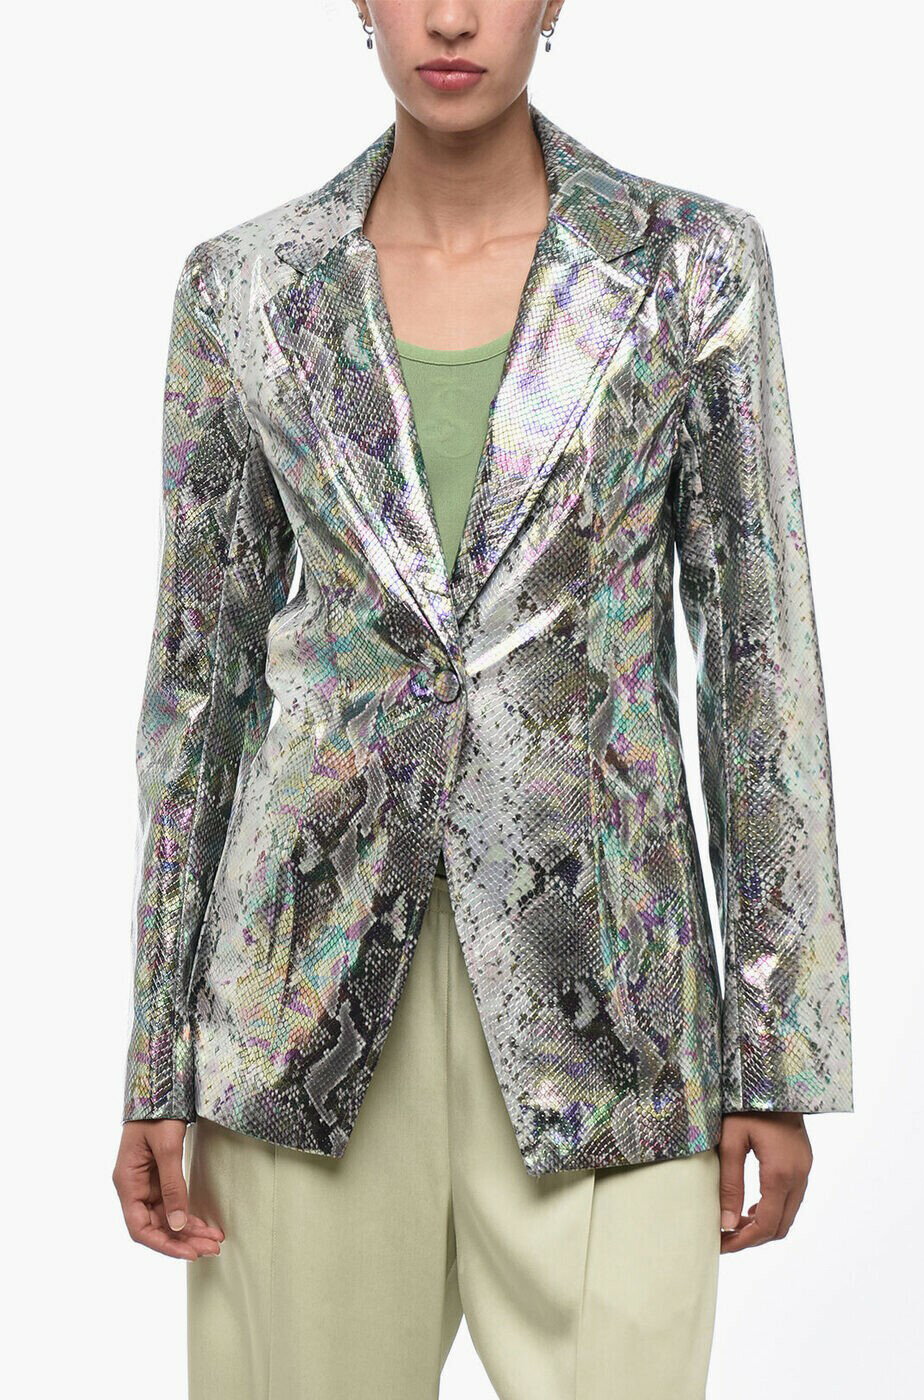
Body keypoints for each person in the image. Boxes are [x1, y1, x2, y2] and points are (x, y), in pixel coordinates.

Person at [112, 3, 853, 1397]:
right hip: (298, 999)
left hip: (615, 1000)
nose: (450, 16)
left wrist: (778, 1053)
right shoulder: (246, 286)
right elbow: (198, 687)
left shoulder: (688, 265)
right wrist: (158, 1061)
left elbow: (758, 660)